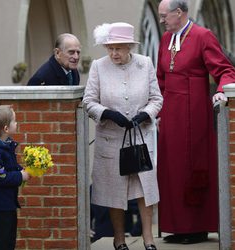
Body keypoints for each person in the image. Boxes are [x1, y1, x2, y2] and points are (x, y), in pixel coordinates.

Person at [156, 0, 235, 244]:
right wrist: (158, 110)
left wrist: (223, 91)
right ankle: (177, 227)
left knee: (192, 165)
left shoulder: (203, 36)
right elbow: (160, 79)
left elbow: (225, 70)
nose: (161, 21)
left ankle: (196, 227)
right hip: (170, 115)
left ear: (178, 13)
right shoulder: (165, 39)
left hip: (195, 113)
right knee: (172, 168)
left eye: (164, 16)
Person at [83, 22, 163, 250]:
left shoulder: (144, 64)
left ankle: (148, 239)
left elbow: (157, 98)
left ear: (129, 46)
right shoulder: (99, 66)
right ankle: (119, 240)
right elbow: (89, 101)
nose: (113, 53)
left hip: (141, 138)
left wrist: (144, 115)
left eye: (118, 48)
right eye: (110, 48)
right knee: (113, 191)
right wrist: (107, 113)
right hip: (111, 139)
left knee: (145, 191)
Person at [0, 105, 30, 250]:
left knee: (8, 241)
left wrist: (19, 169)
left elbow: (8, 167)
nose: (16, 124)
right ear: (5, 128)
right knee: (0, 242)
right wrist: (20, 176)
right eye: (14, 121)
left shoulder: (5, 145)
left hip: (7, 203)